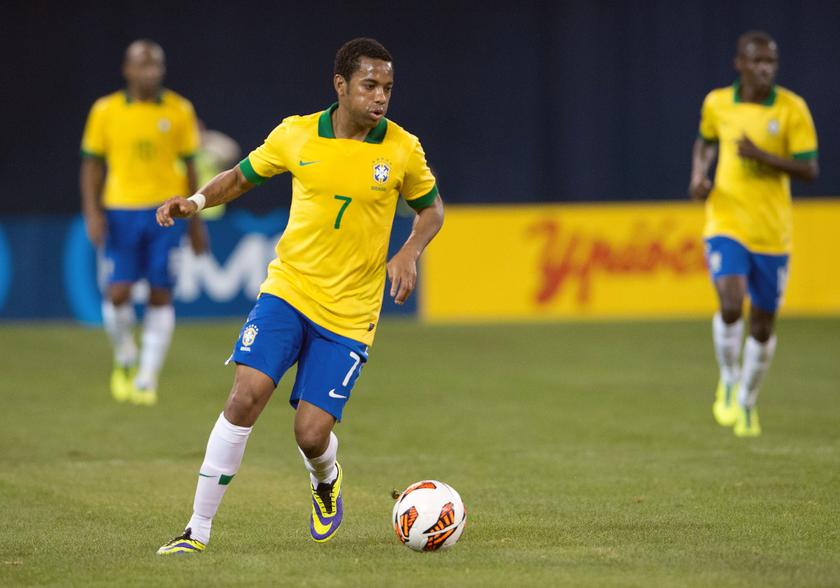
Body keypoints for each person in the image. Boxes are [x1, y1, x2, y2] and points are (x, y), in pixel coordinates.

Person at [154, 38, 444, 554]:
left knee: (309, 434)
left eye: (388, 88)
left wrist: (409, 251)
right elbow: (241, 177)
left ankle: (325, 478)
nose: (380, 97)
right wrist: (195, 201)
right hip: (288, 290)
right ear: (341, 85)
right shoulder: (295, 134)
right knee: (245, 395)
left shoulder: (402, 148)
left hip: (351, 312)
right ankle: (196, 531)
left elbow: (432, 210)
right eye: (370, 85)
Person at [689, 31, 818, 437]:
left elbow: (809, 169)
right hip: (727, 219)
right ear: (739, 64)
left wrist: (762, 156)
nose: (766, 69)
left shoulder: (792, 109)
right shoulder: (717, 103)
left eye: (772, 63)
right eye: (758, 61)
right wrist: (699, 177)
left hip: (772, 232)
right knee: (730, 303)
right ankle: (728, 379)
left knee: (762, 326)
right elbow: (705, 141)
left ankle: (746, 400)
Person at [80, 40, 207, 406]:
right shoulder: (105, 110)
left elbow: (191, 167)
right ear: (127, 69)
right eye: (142, 65)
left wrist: (196, 221)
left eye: (155, 66)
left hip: (166, 212)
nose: (149, 72)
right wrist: (92, 212)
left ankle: (146, 379)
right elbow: (91, 164)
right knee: (117, 292)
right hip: (120, 210)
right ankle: (125, 358)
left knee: (160, 292)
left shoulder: (179, 109)